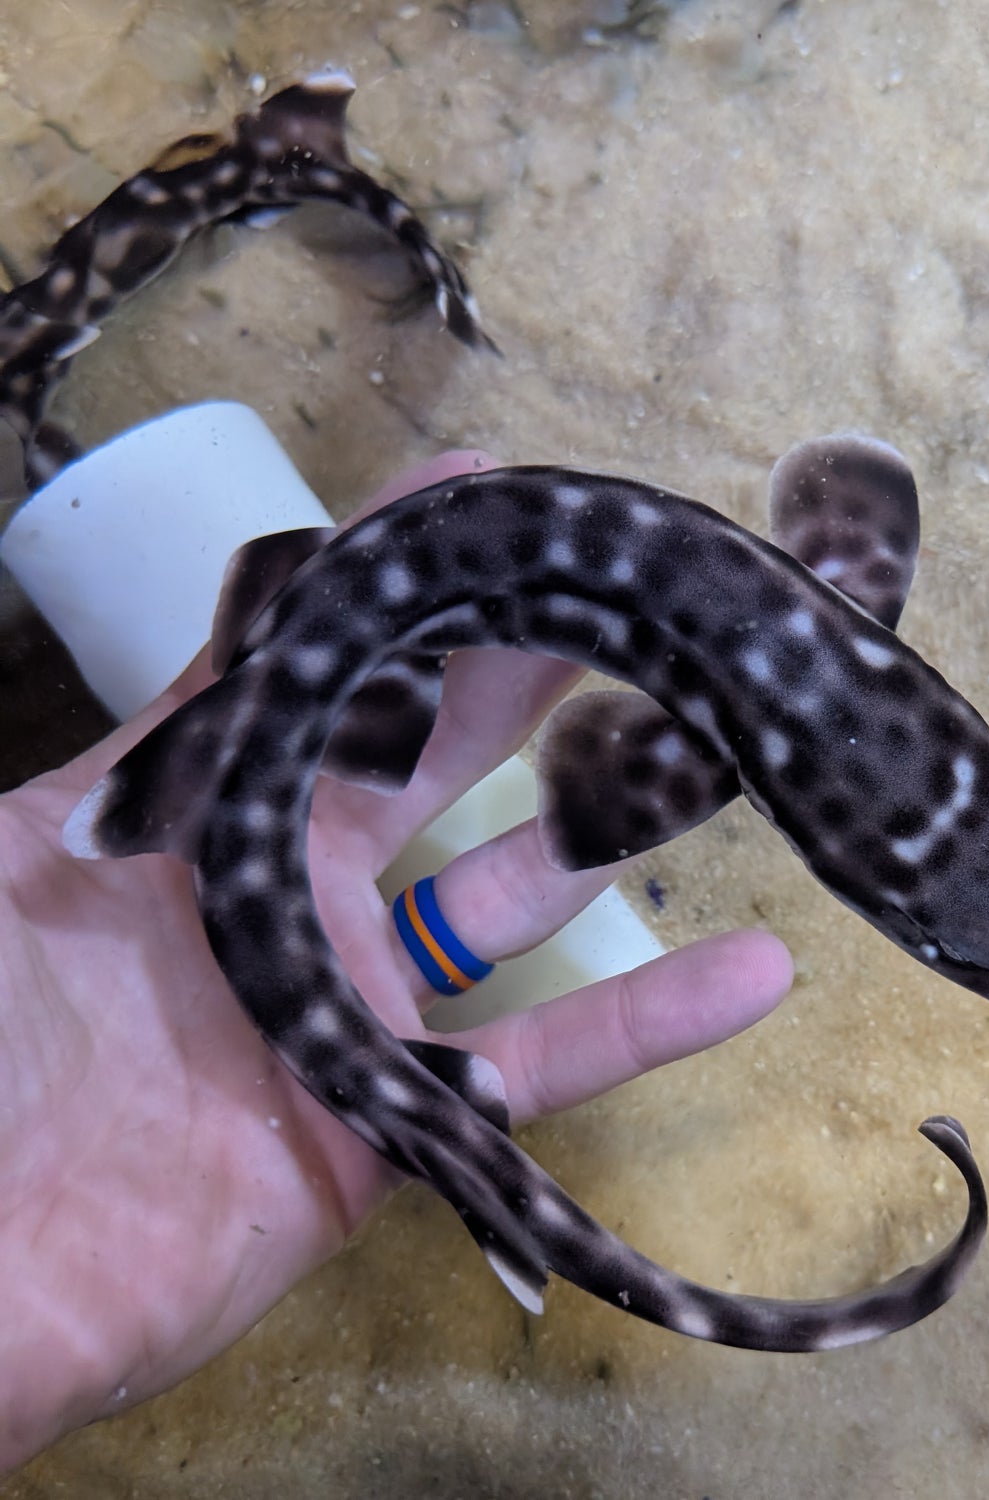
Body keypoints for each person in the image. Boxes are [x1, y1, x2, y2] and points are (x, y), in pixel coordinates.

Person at [0, 452, 793, 1473]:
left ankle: (481, 1176)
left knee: (412, 1091)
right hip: (282, 749)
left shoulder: (293, 652)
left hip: (275, 749)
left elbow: (279, 592)